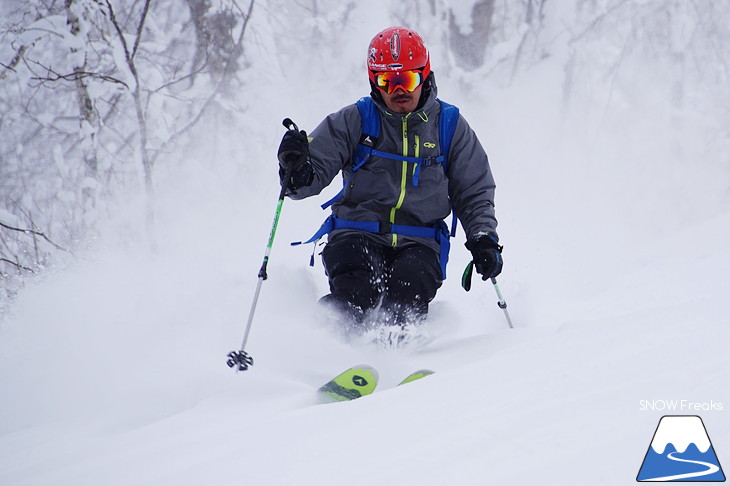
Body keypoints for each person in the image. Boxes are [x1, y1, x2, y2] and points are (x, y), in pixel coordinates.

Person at [277, 26, 503, 329]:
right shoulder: (354, 120)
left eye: (408, 79)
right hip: (355, 232)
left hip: (419, 240)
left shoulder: (448, 126)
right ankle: (322, 347)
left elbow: (474, 190)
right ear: (374, 81)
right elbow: (304, 181)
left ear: (425, 76)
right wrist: (296, 169)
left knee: (406, 294)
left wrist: (482, 238)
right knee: (356, 292)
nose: (400, 90)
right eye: (388, 81)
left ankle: (395, 359)